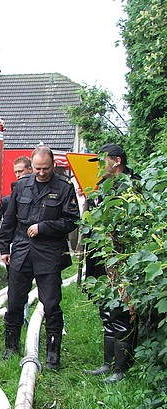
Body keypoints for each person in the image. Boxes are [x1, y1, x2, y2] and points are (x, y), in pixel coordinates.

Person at [0, 145, 79, 369]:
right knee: (15, 301)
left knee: (51, 304)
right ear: (31, 166)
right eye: (37, 168)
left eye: (46, 168)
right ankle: (11, 347)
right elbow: (9, 219)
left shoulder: (64, 188)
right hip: (22, 250)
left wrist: (44, 227)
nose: (41, 173)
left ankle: (53, 354)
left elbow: (72, 220)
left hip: (49, 252)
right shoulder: (22, 185)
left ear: (53, 165)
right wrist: (4, 248)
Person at [83, 143, 139, 383]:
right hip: (101, 260)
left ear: (116, 161)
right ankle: (108, 364)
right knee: (106, 311)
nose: (99, 167)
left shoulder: (132, 186)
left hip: (122, 262)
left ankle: (121, 369)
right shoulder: (103, 186)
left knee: (121, 312)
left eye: (102, 161)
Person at [0, 156, 33, 238]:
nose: (18, 175)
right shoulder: (12, 195)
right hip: (19, 236)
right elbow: (8, 219)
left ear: (30, 169)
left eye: (20, 171)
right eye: (16, 172)